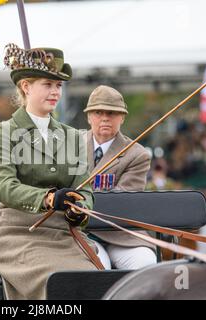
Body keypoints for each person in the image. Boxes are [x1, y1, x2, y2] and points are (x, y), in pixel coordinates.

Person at [0, 44, 98, 300]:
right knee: (57, 283)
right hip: (19, 235)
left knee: (93, 282)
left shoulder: (73, 136)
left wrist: (79, 208)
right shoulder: (4, 133)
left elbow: (85, 188)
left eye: (58, 85)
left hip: (65, 236)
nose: (55, 91)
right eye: (47, 84)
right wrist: (48, 198)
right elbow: (5, 187)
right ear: (26, 87)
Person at [84, 85, 157, 270]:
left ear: (122, 117)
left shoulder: (137, 154)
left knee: (145, 262)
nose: (105, 118)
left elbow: (122, 201)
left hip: (120, 234)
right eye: (98, 112)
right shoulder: (69, 145)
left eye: (112, 113)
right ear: (88, 116)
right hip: (78, 232)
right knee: (96, 266)